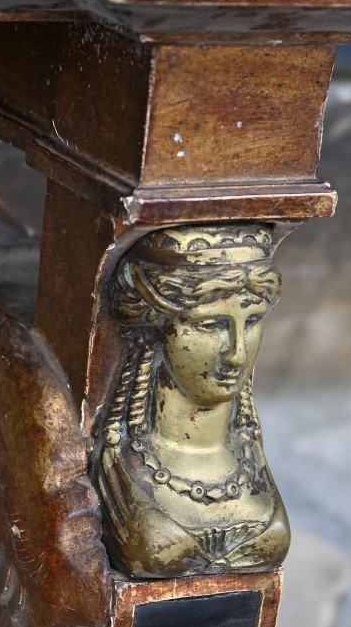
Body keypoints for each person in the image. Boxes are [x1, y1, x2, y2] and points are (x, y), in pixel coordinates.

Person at [96, 223, 290, 578]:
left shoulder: (246, 446)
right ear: (155, 327)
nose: (236, 353)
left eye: (252, 321)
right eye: (211, 325)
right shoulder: (116, 459)